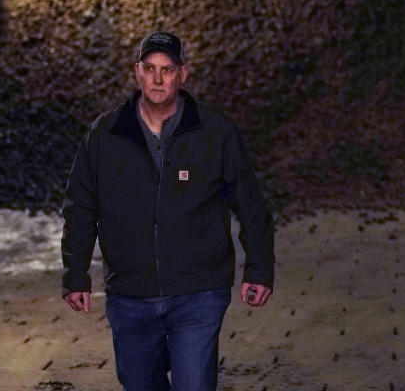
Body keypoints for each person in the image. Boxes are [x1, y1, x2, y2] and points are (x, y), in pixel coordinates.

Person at [61, 30, 276, 391]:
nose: (158, 79)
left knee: (194, 384)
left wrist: (259, 269)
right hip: (130, 294)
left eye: (168, 69)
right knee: (139, 383)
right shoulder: (105, 134)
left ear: (183, 74)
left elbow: (250, 203)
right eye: (150, 68)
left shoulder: (215, 132)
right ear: (137, 72)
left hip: (198, 291)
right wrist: (75, 273)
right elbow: (81, 206)